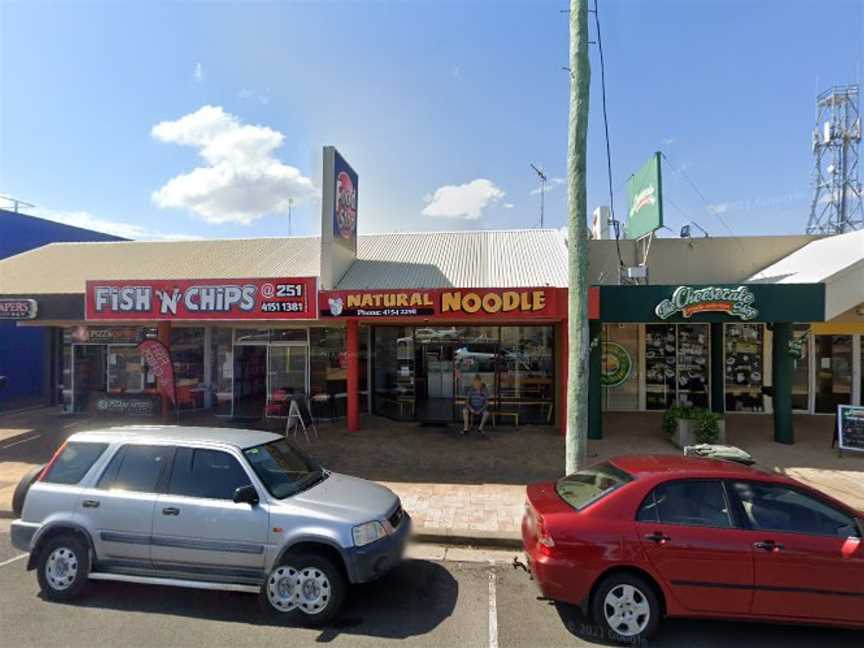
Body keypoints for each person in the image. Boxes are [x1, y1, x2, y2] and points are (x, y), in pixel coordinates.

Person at [463, 374, 490, 439]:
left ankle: (480, 428)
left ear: (481, 382)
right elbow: (466, 402)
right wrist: (471, 409)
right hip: (472, 407)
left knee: (486, 413)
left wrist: (480, 410)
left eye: (478, 382)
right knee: (464, 411)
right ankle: (466, 428)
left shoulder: (484, 391)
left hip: (480, 408)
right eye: (475, 382)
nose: (477, 384)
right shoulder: (471, 390)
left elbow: (486, 403)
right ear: (473, 382)